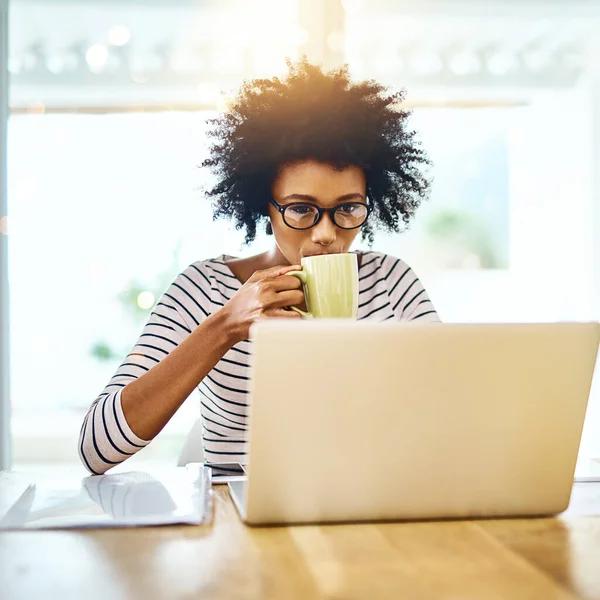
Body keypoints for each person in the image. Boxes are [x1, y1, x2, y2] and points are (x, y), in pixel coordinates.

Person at [78, 59, 441, 475]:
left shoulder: (391, 281)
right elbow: (96, 449)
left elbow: (454, 415)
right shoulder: (204, 288)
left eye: (347, 208)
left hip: (369, 506)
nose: (326, 233)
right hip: (238, 523)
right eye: (301, 209)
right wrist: (225, 326)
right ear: (263, 204)